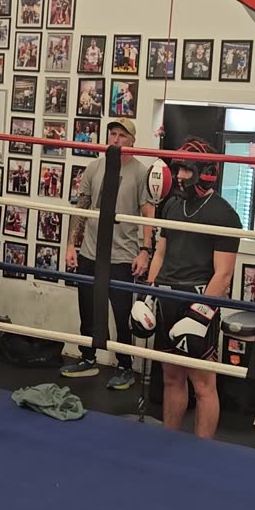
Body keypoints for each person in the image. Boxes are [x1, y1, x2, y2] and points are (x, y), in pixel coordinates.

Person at [142, 137, 242, 438]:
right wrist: (149, 293)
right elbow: (160, 253)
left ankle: (202, 453)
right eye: (179, 170)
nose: (181, 176)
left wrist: (201, 314)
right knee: (171, 376)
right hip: (167, 295)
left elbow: (224, 274)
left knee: (203, 383)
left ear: (204, 172)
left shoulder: (224, 214)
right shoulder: (172, 205)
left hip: (198, 298)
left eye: (187, 170)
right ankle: (169, 443)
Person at [62, 119, 158, 390]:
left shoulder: (141, 172)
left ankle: (125, 366)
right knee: (88, 308)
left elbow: (147, 213)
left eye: (122, 135)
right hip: (91, 251)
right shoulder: (94, 167)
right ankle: (88, 357)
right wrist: (72, 245)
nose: (116, 140)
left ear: (132, 141)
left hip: (123, 255)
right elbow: (82, 206)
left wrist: (145, 250)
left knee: (122, 315)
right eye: (113, 134)